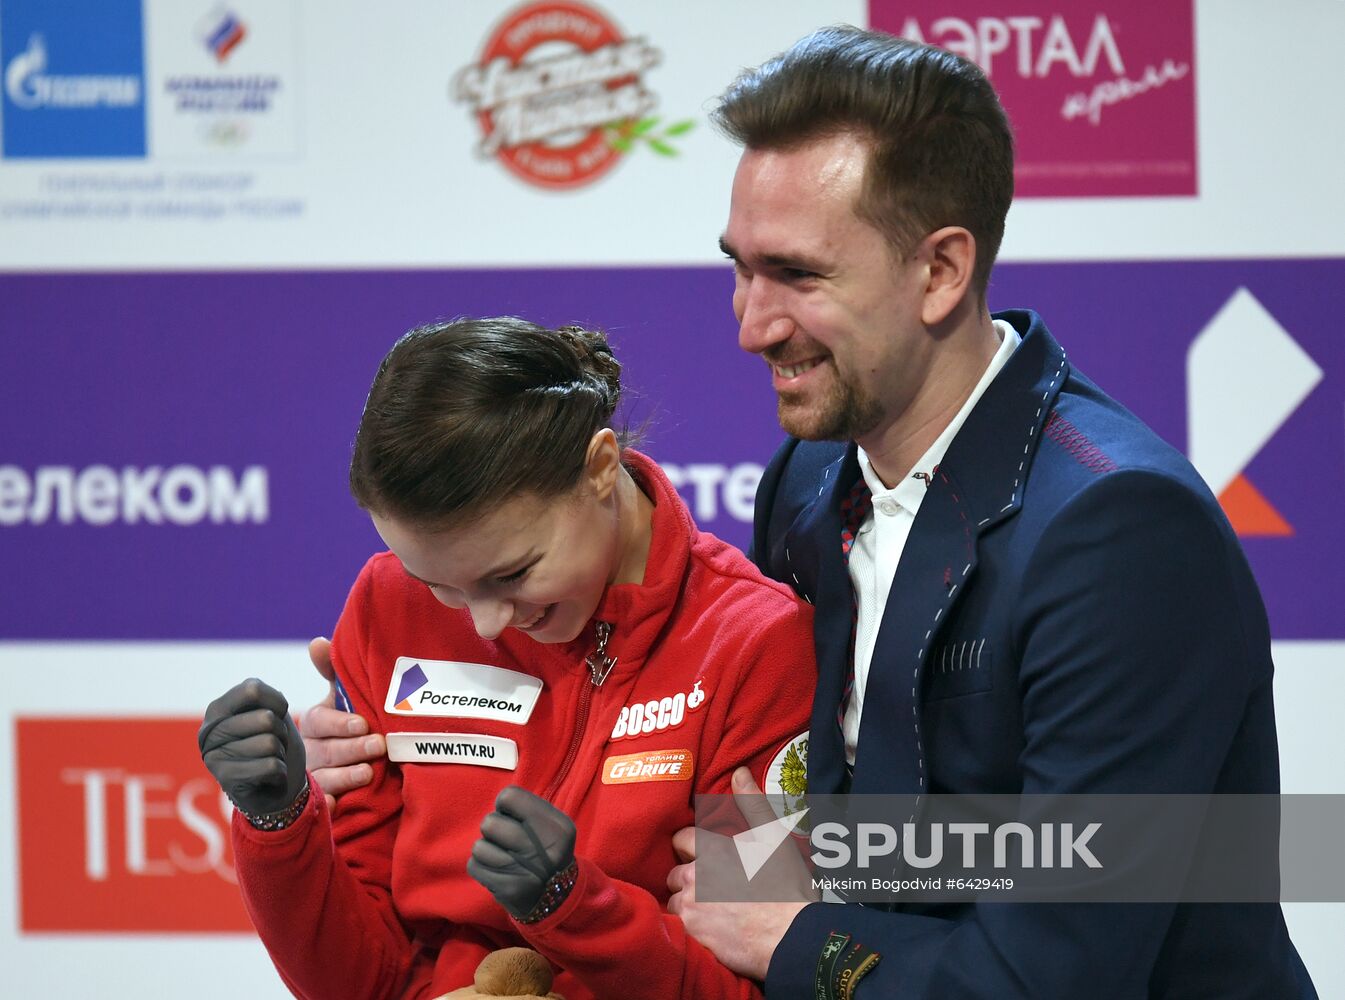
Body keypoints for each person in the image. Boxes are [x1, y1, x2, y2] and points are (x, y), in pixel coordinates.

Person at [303, 27, 1318, 1000]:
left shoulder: (1120, 530)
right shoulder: (803, 481)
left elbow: (1061, 963)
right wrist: (395, 746)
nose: (750, 324)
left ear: (940, 270)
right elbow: (800, 821)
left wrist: (800, 931)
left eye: (796, 274)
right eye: (739, 267)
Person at [198, 317, 815, 1000]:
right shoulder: (385, 604)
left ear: (600, 468)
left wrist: (571, 906)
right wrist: (279, 823)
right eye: (441, 587)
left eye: (512, 573)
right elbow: (365, 982)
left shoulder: (754, 643)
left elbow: (746, 985)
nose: (487, 621)